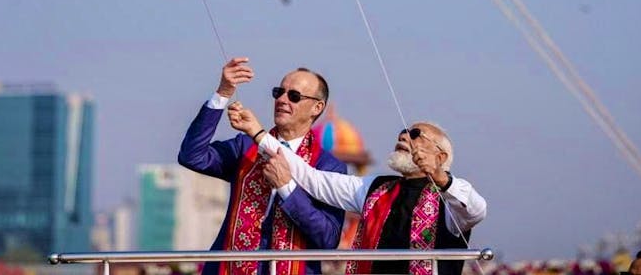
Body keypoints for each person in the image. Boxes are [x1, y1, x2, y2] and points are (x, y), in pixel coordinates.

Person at [228, 103, 486, 275]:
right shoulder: (375, 188)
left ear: (440, 156)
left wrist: (440, 176)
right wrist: (258, 133)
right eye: (402, 132)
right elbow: (312, 178)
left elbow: (476, 210)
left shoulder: (453, 200)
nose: (404, 137)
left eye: (415, 134)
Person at [178, 57, 347, 275]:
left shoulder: (329, 167)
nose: (283, 100)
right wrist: (223, 93)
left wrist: (287, 187)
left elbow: (328, 238)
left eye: (294, 96)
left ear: (317, 107)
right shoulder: (246, 146)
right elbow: (192, 156)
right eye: (279, 92)